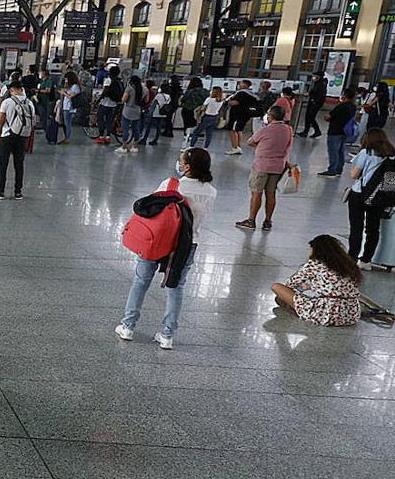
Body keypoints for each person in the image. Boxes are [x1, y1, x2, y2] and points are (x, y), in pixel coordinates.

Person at [115, 147, 217, 349]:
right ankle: (167, 336)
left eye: (181, 161)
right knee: (175, 288)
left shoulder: (172, 185)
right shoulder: (212, 192)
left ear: (187, 167)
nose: (178, 165)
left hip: (158, 241)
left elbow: (151, 208)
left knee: (141, 282)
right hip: (187, 246)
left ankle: (128, 326)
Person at [271, 236, 362, 326]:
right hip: (351, 314)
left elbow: (290, 283)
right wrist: (312, 286)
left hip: (327, 314)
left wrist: (306, 286)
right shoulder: (348, 265)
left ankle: (297, 308)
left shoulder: (315, 263)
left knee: (276, 287)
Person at [236, 104, 294, 232]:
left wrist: (260, 146)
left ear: (270, 116)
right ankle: (268, 221)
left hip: (261, 165)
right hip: (278, 166)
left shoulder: (265, 130)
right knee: (271, 194)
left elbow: (250, 142)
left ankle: (251, 220)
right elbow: (289, 146)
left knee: (256, 193)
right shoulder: (288, 129)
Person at [345, 128, 394, 268]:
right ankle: (366, 260)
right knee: (373, 229)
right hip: (379, 196)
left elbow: (354, 175)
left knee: (356, 227)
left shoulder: (366, 153)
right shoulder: (391, 155)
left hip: (359, 194)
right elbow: (390, 182)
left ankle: (352, 258)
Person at [0, 81, 35, 201]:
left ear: (12, 90)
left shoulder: (7, 102)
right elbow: (33, 122)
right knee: (19, 164)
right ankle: (18, 192)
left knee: (3, 164)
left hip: (7, 135)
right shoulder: (29, 103)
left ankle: (1, 190)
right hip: (22, 136)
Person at [321, 88, 357, 177]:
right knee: (340, 151)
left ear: (344, 95)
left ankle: (332, 169)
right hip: (345, 131)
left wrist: (327, 118)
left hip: (335, 131)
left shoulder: (340, 106)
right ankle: (338, 169)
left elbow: (329, 117)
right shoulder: (353, 106)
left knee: (333, 150)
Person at [224, 80, 261, 155]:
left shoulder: (242, 93)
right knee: (239, 130)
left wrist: (228, 102)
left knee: (233, 130)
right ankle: (238, 146)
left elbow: (235, 102)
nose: (239, 84)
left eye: (241, 83)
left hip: (237, 115)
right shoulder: (251, 93)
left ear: (245, 84)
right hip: (245, 115)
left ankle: (235, 147)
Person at [116, 75, 146, 154]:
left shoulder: (129, 88)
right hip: (137, 110)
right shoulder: (143, 89)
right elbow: (146, 100)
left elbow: (124, 99)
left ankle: (124, 147)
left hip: (128, 110)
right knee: (136, 129)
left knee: (125, 128)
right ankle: (135, 146)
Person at [298, 71, 327, 138]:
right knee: (308, 117)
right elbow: (314, 91)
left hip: (315, 103)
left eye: (314, 75)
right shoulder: (318, 83)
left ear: (318, 76)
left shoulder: (321, 84)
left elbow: (320, 94)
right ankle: (306, 131)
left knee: (310, 117)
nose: (313, 77)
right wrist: (309, 94)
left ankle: (317, 131)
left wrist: (314, 101)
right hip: (313, 101)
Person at [59, 70, 81, 145]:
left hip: (70, 107)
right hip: (66, 106)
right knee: (65, 123)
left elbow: (71, 96)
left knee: (68, 123)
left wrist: (64, 93)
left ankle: (67, 138)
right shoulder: (70, 86)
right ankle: (66, 137)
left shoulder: (75, 86)